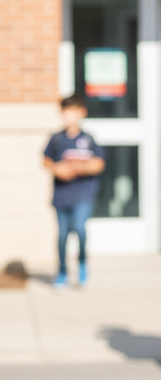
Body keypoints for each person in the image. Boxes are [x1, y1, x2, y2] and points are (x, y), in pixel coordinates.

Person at [42, 94, 106, 289]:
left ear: (81, 113)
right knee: (62, 236)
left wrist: (78, 168)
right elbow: (46, 160)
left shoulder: (88, 139)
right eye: (65, 113)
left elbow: (99, 163)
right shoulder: (56, 139)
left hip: (83, 194)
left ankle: (82, 263)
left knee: (79, 229)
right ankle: (62, 271)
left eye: (72, 113)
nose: (68, 117)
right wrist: (57, 169)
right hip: (62, 196)